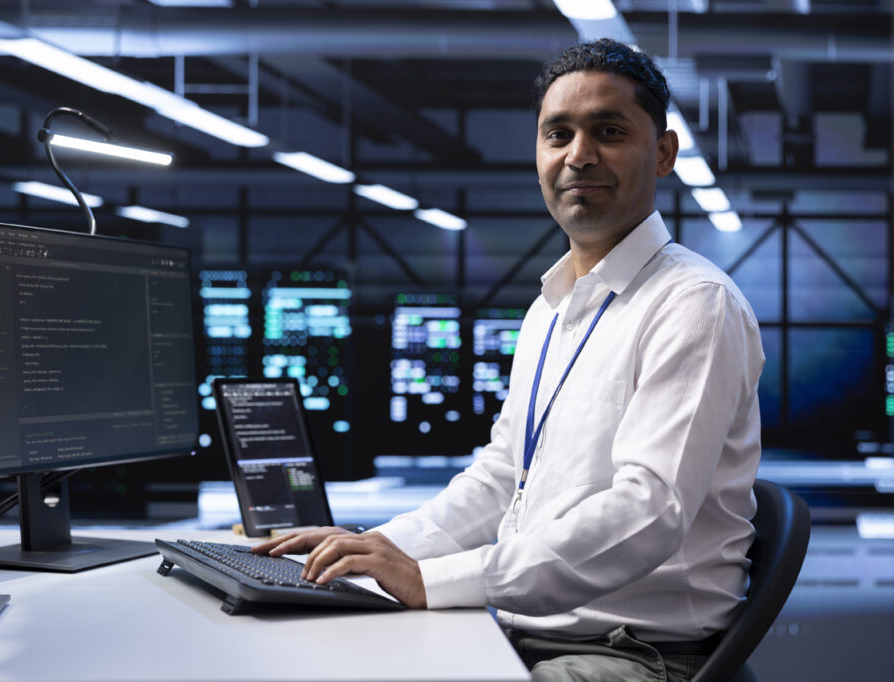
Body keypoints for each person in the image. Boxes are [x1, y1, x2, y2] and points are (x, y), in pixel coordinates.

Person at [254, 37, 764, 682]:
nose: (580, 156)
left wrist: (434, 581)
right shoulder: (550, 308)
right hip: (523, 629)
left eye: (608, 131)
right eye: (558, 134)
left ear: (662, 153)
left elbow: (649, 511)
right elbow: (502, 477)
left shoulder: (694, 303)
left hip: (632, 652)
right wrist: (382, 547)